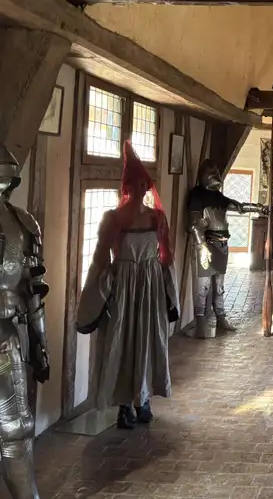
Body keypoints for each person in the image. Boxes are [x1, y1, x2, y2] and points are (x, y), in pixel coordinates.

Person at [77, 141, 179, 429]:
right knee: (122, 341)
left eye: (142, 183)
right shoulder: (113, 218)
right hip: (123, 286)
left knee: (148, 339)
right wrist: (102, 289)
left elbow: (165, 256)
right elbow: (100, 258)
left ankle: (143, 399)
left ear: (147, 186)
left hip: (150, 285)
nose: (139, 188)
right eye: (134, 184)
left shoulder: (157, 218)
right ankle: (124, 406)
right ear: (127, 187)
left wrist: (168, 289)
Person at [0, 144, 50, 498]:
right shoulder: (21, 223)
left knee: (16, 430)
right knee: (15, 430)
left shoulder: (23, 223)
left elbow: (33, 290)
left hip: (5, 337)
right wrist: (40, 346)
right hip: (5, 337)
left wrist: (40, 346)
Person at [187, 159, 267, 338]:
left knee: (219, 286)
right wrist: (201, 246)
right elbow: (194, 225)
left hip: (222, 245)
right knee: (203, 287)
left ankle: (221, 317)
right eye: (213, 173)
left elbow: (238, 206)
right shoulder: (197, 196)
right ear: (204, 175)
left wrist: (259, 208)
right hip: (206, 246)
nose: (216, 176)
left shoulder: (218, 197)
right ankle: (200, 322)